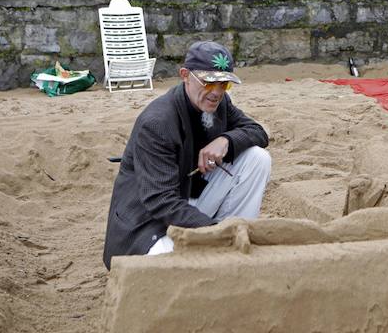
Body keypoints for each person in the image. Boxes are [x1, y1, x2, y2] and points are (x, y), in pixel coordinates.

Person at [102, 40, 271, 269]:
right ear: (185, 75)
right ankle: (228, 237)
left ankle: (233, 244)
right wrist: (215, 230)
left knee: (257, 158)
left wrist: (226, 141)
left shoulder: (219, 103)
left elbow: (258, 132)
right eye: (209, 82)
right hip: (147, 222)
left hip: (187, 198)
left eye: (224, 84)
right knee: (181, 265)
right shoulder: (157, 123)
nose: (217, 92)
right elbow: (161, 201)